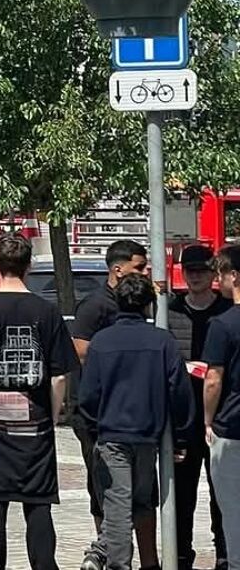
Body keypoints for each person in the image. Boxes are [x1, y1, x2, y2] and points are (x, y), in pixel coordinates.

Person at [0, 232, 76, 570]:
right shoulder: (47, 312)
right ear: (29, 266)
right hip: (35, 426)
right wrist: (52, 417)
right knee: (38, 505)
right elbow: (58, 376)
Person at [79, 273, 196, 570]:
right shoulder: (162, 341)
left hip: (112, 433)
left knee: (117, 506)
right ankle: (149, 563)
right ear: (148, 305)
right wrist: (181, 434)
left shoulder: (102, 342)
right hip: (149, 435)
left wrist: (94, 425)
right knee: (144, 501)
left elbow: (88, 394)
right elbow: (179, 391)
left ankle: (119, 564)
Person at [69, 239, 160, 570]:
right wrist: (119, 356)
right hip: (98, 416)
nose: (146, 271)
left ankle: (146, 560)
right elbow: (80, 350)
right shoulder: (96, 306)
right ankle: (108, 556)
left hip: (130, 414)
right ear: (117, 269)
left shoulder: (140, 305)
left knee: (141, 495)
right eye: (139, 267)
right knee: (105, 492)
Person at [168, 244, 231, 570]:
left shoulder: (226, 312)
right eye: (189, 270)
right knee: (181, 495)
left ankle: (224, 553)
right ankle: (180, 556)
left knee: (225, 493)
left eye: (201, 271)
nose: (195, 276)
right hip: (182, 419)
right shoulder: (171, 311)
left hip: (220, 418)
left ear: (213, 274)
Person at [204, 245, 240, 570]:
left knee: (233, 511)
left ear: (235, 276)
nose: (217, 281)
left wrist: (207, 420)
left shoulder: (223, 324)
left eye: (220, 274)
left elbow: (213, 379)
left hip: (232, 429)